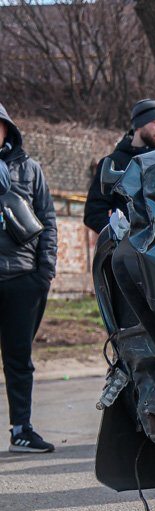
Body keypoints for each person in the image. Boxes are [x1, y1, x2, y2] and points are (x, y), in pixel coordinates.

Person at [0, 104, 58, 453]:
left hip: (24, 278)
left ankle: (21, 429)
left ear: (7, 129)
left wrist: (45, 272)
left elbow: (48, 219)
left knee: (19, 359)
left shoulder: (29, 168)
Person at [83, 99, 155, 234]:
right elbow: (94, 214)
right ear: (139, 124)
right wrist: (121, 235)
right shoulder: (114, 163)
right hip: (129, 246)